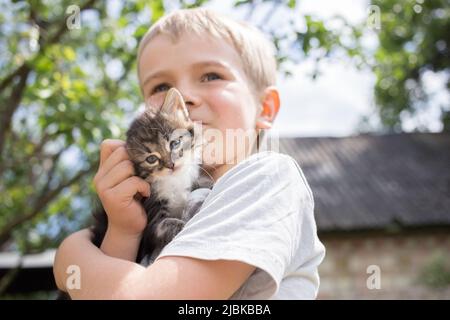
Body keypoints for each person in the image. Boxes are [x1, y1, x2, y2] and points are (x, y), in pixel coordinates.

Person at [53, 8, 325, 299]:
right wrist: (122, 230)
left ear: (265, 108)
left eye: (211, 76)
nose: (183, 96)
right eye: (161, 86)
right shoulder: (155, 202)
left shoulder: (268, 179)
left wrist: (75, 257)